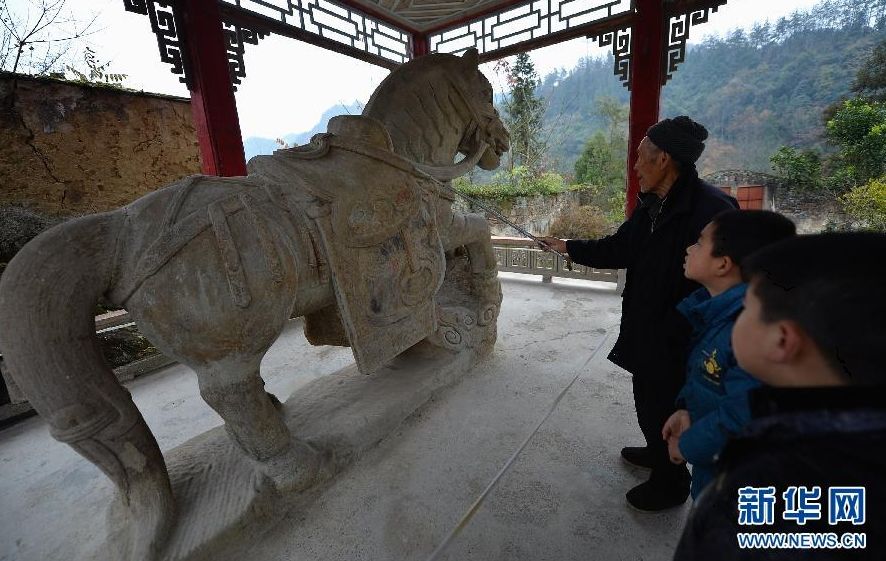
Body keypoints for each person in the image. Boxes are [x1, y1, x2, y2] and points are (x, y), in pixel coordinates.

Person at [540, 116, 738, 511]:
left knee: (672, 404)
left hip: (682, 334)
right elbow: (620, 249)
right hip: (647, 325)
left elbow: (728, 279)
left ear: (663, 158)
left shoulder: (713, 210)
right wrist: (567, 247)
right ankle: (656, 450)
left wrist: (688, 327)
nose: (634, 166)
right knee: (647, 399)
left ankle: (670, 484)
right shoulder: (652, 206)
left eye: (640, 157)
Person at [674, 232, 886, 560]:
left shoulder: (764, 492)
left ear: (782, 340)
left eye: (746, 309)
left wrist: (689, 446)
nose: (737, 319)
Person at [661, 210, 796, 500]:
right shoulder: (717, 313)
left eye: (698, 243)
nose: (688, 249)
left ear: (723, 264)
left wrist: (687, 446)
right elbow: (709, 377)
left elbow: (744, 416)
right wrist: (687, 410)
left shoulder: (751, 330)